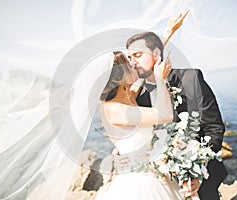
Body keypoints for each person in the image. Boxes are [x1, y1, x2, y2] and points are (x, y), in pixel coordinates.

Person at [125, 30, 228, 199]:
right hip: (161, 179)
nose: (132, 62)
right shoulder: (139, 95)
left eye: (137, 55)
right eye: (130, 58)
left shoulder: (189, 78)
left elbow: (213, 128)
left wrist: (198, 171)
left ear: (156, 54)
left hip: (200, 175)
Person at [95, 51, 184, 200]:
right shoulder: (115, 110)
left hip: (154, 173)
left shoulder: (127, 95)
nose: (133, 64)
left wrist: (168, 33)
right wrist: (160, 79)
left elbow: (147, 63)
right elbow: (164, 115)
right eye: (128, 64)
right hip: (140, 182)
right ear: (119, 76)